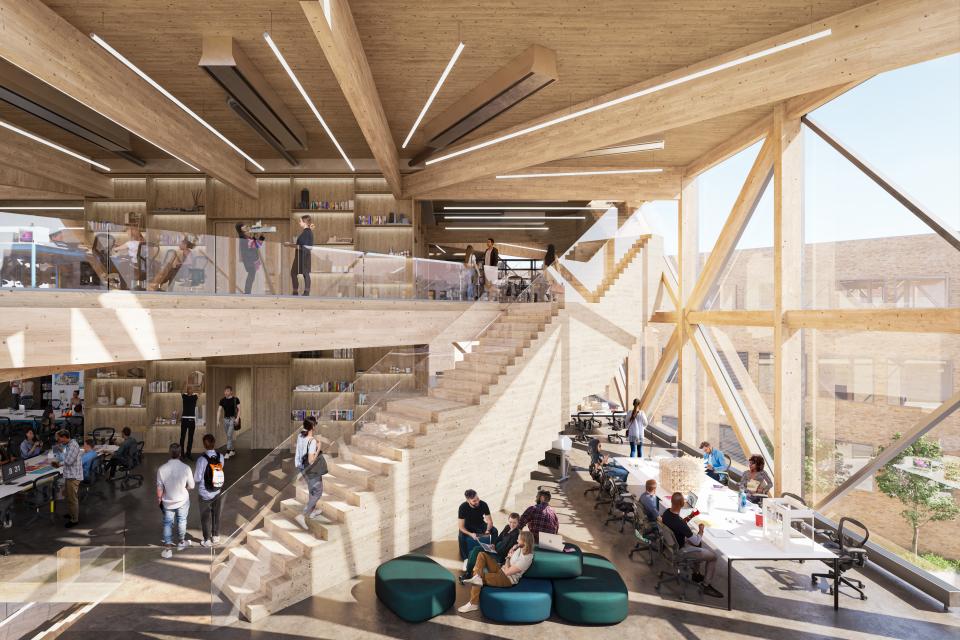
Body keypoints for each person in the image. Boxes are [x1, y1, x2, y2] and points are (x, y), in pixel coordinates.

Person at [660, 492, 723, 598]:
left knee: (698, 546)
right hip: (680, 551)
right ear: (682, 504)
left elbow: (679, 524)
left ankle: (696, 573)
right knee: (713, 557)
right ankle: (706, 585)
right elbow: (696, 541)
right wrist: (701, 530)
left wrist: (690, 516)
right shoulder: (679, 523)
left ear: (671, 501)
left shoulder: (666, 513)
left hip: (669, 546)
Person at [458, 530, 536, 614]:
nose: (517, 541)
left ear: (525, 542)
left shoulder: (525, 559)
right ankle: (477, 577)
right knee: (481, 555)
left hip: (507, 579)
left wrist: (508, 558)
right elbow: (515, 547)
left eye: (519, 539)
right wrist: (513, 549)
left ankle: (473, 603)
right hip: (501, 569)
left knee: (479, 578)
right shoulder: (521, 548)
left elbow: (507, 572)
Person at [157, 443, 195, 559]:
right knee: (182, 520)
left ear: (170, 453)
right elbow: (192, 486)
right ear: (180, 453)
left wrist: (160, 499)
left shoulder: (161, 469)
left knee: (167, 524)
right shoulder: (186, 468)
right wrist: (184, 488)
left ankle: (168, 549)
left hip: (168, 501)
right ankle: (181, 543)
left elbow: (159, 488)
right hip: (182, 500)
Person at [460, 512, 522, 582]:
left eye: (514, 523)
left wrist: (494, 550)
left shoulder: (516, 534)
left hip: (499, 555)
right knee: (475, 549)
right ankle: (469, 572)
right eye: (510, 522)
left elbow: (505, 550)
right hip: (495, 549)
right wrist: (493, 544)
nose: (512, 525)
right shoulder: (507, 527)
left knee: (477, 550)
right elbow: (499, 537)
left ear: (518, 523)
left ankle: (468, 574)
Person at [294, 418, 327, 529]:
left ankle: (312, 511)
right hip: (311, 470)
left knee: (312, 490)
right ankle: (302, 515)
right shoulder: (312, 441)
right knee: (318, 491)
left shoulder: (300, 436)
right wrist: (318, 448)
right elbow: (311, 460)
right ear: (313, 427)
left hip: (301, 467)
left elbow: (299, 451)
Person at [194, 434, 225, 547]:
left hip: (204, 493)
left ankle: (206, 540)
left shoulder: (201, 460)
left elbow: (197, 478)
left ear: (204, 445)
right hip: (217, 490)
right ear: (214, 443)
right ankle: (215, 536)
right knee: (216, 514)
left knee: (205, 516)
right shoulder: (220, 456)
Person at [51, 429, 82, 528]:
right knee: (69, 497)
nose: (59, 441)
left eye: (60, 439)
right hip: (70, 475)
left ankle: (74, 520)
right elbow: (66, 457)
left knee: (72, 499)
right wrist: (60, 451)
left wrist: (58, 463)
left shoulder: (73, 446)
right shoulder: (68, 445)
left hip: (73, 476)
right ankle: (71, 513)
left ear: (64, 437)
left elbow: (68, 461)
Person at [457, 489, 498, 563]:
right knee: (461, 536)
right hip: (468, 526)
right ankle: (465, 558)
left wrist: (488, 530)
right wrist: (471, 534)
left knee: (494, 530)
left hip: (480, 524)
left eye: (477, 499)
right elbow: (461, 526)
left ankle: (491, 548)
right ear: (468, 501)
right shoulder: (462, 507)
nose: (477, 502)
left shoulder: (483, 504)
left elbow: (489, 521)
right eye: (474, 501)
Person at [236, 223, 265, 295]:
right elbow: (257, 244)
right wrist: (261, 235)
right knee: (251, 275)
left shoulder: (246, 237)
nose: (246, 227)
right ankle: (247, 292)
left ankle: (247, 291)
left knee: (251, 275)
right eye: (243, 226)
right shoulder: (243, 237)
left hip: (251, 259)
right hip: (249, 260)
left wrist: (258, 235)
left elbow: (256, 244)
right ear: (240, 229)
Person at [291, 214, 313, 296]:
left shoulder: (307, 232)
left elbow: (304, 245)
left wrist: (290, 245)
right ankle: (298, 291)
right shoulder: (307, 232)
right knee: (300, 273)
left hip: (302, 256)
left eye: (300, 221)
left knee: (303, 273)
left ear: (304, 222)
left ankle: (300, 292)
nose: (299, 223)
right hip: (301, 255)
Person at [217, 386, 240, 459]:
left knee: (229, 435)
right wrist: (217, 420)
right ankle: (232, 450)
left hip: (232, 419)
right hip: (225, 420)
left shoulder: (235, 399)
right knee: (228, 436)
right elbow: (219, 410)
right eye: (225, 391)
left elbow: (239, 409)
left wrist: (237, 418)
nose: (226, 392)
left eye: (227, 391)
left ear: (231, 392)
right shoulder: (222, 400)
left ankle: (227, 452)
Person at [179, 385, 199, 460]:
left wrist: (203, 382)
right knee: (182, 437)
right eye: (188, 389)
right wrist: (184, 384)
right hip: (184, 419)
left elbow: (200, 392)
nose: (190, 390)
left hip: (192, 419)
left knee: (190, 438)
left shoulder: (195, 397)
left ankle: (188, 453)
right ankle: (182, 454)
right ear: (187, 390)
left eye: (191, 389)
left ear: (193, 390)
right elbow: (181, 392)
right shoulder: (184, 396)